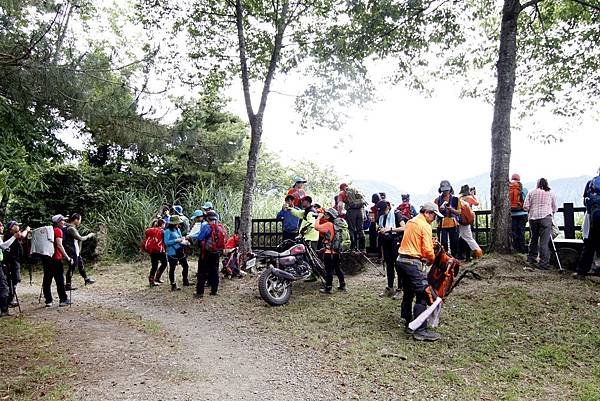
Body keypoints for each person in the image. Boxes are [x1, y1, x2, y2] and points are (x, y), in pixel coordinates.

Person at [397, 202, 444, 342]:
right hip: (412, 263)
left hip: (401, 261)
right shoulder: (425, 225)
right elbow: (428, 251)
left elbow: (414, 241)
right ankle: (420, 330)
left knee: (408, 291)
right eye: (434, 215)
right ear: (428, 213)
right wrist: (432, 259)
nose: (435, 219)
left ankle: (407, 319)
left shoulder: (411, 221)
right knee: (423, 294)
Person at [523, 178, 557, 270]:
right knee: (544, 241)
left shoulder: (531, 192)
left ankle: (531, 258)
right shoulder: (551, 193)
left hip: (533, 218)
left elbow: (525, 207)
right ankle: (543, 263)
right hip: (546, 218)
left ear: (537, 184)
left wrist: (532, 209)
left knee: (533, 238)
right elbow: (554, 208)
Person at [573, 167, 600, 279]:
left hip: (594, 218)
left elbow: (585, 200)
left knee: (589, 245)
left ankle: (581, 272)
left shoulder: (591, 183)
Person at [189, 211, 222, 298]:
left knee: (202, 272)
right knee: (215, 271)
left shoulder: (206, 227)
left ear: (208, 218)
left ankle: (200, 293)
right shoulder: (219, 228)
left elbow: (200, 238)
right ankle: (214, 291)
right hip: (217, 253)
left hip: (206, 253)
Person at [377, 201, 406, 299]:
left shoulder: (396, 213)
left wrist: (390, 229)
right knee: (389, 265)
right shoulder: (381, 216)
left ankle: (400, 289)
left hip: (395, 242)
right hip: (386, 242)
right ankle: (390, 288)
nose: (383, 212)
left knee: (398, 266)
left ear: (388, 206)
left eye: (384, 210)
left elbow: (404, 228)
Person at [314, 208, 346, 294]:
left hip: (329, 253)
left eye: (326, 214)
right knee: (338, 268)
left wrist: (319, 217)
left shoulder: (328, 224)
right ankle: (342, 284)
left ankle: (328, 287)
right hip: (337, 251)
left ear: (330, 216)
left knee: (328, 270)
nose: (325, 216)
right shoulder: (338, 225)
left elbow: (316, 227)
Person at [43, 215, 72, 307]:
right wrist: (67, 257)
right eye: (63, 220)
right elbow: (59, 245)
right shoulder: (58, 231)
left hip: (47, 259)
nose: (64, 222)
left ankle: (48, 301)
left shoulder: (48, 230)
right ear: (58, 222)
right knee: (59, 280)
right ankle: (63, 300)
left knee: (47, 281)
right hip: (56, 259)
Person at [63, 214, 95, 291]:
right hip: (71, 251)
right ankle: (67, 285)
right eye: (80, 220)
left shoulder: (69, 227)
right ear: (76, 220)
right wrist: (89, 235)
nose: (80, 222)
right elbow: (80, 238)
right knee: (72, 267)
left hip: (74, 250)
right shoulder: (71, 229)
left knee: (80, 265)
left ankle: (86, 279)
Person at [3, 221, 30, 308]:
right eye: (16, 225)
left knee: (14, 280)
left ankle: (11, 297)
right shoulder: (9, 236)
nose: (18, 226)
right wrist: (27, 229)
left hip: (16, 261)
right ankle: (10, 299)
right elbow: (22, 235)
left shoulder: (14, 235)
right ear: (11, 228)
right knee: (14, 279)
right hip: (12, 262)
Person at [163, 215, 191, 291]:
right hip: (172, 252)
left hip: (180, 250)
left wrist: (185, 242)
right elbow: (166, 242)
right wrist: (176, 240)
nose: (178, 224)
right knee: (172, 268)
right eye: (177, 223)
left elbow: (181, 239)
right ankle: (173, 285)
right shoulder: (167, 231)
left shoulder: (177, 229)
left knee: (186, 266)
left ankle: (185, 281)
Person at [434, 180, 461, 256]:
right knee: (443, 244)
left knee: (454, 243)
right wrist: (439, 210)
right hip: (442, 224)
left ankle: (454, 259)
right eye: (444, 191)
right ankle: (445, 260)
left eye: (447, 190)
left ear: (450, 189)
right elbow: (434, 212)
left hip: (454, 223)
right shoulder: (437, 200)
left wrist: (452, 210)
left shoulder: (456, 199)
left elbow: (459, 212)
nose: (446, 192)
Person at [457, 185, 483, 261]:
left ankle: (461, 255)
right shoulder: (469, 198)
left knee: (461, 238)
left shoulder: (460, 198)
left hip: (460, 220)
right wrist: (472, 195)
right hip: (468, 220)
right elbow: (477, 203)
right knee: (469, 238)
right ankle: (477, 253)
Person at [144, 219, 167, 286]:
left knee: (154, 266)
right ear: (162, 224)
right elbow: (164, 241)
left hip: (152, 250)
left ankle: (151, 281)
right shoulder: (162, 231)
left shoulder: (150, 230)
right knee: (164, 263)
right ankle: (157, 277)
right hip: (160, 250)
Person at [509, 174, 528, 253]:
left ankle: (515, 250)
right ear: (519, 179)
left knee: (514, 232)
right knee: (521, 232)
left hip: (512, 214)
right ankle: (522, 250)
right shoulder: (523, 189)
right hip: (522, 214)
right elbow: (526, 201)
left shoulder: (508, 188)